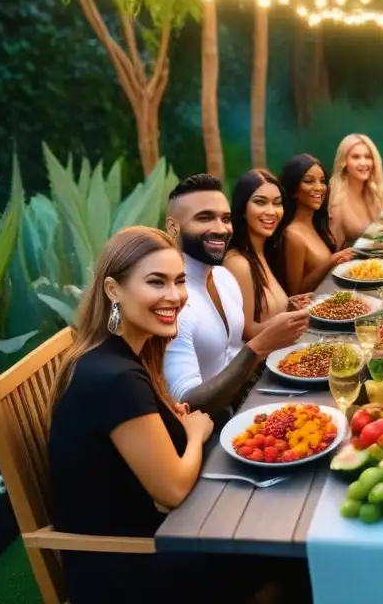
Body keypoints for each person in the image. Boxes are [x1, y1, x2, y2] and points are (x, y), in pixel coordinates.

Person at [48, 227, 264, 603]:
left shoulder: (115, 354)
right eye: (156, 282)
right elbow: (174, 489)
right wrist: (195, 433)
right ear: (113, 290)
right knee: (277, 548)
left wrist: (173, 426)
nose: (175, 296)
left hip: (156, 534)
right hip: (128, 568)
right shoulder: (115, 379)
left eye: (179, 281)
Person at [163, 174, 310, 416]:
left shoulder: (223, 277)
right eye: (205, 218)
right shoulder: (173, 301)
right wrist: (258, 347)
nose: (220, 229)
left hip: (251, 401)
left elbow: (234, 350)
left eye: (225, 219)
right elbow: (187, 402)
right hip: (212, 432)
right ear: (172, 227)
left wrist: (285, 322)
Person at [224, 169, 313, 341]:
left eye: (277, 203)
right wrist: (284, 320)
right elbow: (247, 333)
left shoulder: (264, 252)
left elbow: (265, 314)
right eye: (260, 202)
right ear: (242, 208)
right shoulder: (238, 263)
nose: (271, 211)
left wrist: (290, 306)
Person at [276, 154, 355, 296]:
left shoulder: (316, 225)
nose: (319, 187)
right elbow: (296, 293)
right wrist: (331, 261)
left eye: (322, 181)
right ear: (294, 189)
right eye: (309, 181)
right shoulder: (293, 234)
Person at [329, 133, 383, 247]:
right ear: (343, 161)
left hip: (381, 260)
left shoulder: (376, 191)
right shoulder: (336, 200)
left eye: (368, 157)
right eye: (356, 157)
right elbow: (335, 252)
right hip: (352, 263)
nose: (363, 163)